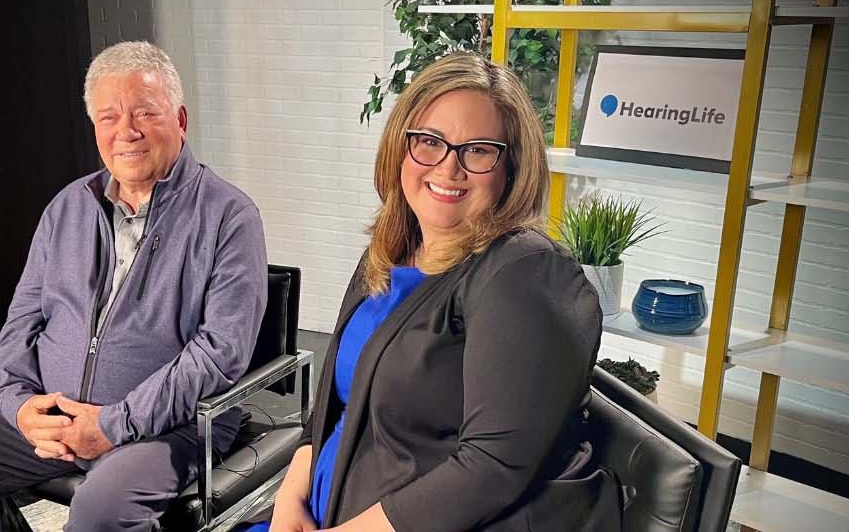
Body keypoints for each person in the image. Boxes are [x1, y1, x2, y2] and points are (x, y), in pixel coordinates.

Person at [0, 41, 269, 532]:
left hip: (167, 429)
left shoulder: (229, 216)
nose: (126, 132)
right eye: (108, 117)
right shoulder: (68, 207)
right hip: (55, 414)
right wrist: (19, 404)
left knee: (101, 512)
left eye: (144, 113)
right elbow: (22, 320)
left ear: (180, 119)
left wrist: (112, 425)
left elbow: (220, 352)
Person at [247, 52, 614, 532]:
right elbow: (340, 399)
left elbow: (493, 468)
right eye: (429, 141)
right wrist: (290, 498)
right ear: (402, 148)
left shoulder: (524, 272)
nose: (448, 168)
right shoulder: (393, 247)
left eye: (478, 150)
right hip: (317, 509)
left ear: (512, 167)